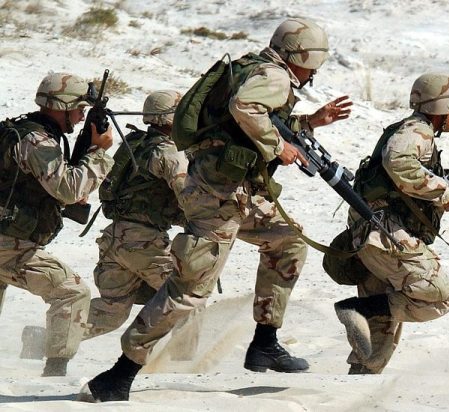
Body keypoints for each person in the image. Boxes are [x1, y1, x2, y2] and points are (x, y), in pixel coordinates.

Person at [80, 17, 352, 402]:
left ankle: (265, 341)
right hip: (217, 198)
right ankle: (118, 375)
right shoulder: (274, 76)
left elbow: (249, 122)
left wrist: (310, 122)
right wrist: (280, 148)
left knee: (288, 241)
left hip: (237, 194)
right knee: (190, 290)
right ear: (303, 56)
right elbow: (246, 108)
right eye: (314, 65)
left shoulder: (253, 68)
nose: (313, 74)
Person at [333, 73, 449, 374]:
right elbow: (398, 162)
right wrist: (443, 191)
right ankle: (355, 309)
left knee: (379, 331)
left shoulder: (410, 130)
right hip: (385, 237)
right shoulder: (417, 131)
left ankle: (357, 384)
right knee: (440, 295)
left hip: (375, 235)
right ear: (442, 108)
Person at [0, 72, 113, 376]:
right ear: (62, 106)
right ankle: (55, 373)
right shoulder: (37, 141)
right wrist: (98, 153)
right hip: (9, 245)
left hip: (8, 237)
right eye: (79, 109)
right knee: (72, 293)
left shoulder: (20, 130)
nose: (81, 117)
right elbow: (67, 189)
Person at [83, 90, 195, 346]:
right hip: (145, 244)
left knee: (110, 312)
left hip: (115, 238)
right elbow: (189, 198)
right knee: (188, 297)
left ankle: (49, 337)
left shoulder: (135, 145)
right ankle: (186, 361)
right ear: (172, 119)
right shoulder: (170, 152)